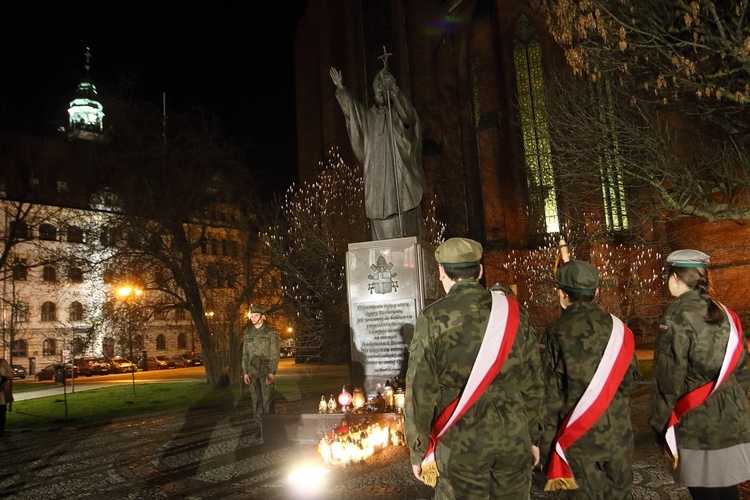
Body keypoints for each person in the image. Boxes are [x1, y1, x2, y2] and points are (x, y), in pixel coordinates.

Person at [405, 237, 544, 499]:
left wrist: (418, 449)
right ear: (479, 271)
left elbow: (420, 390)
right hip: (512, 433)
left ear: (441, 272)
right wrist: (533, 436)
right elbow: (533, 381)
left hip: (459, 439)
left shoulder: (432, 318)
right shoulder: (515, 312)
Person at [649, 249, 750, 500]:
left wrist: (659, 424)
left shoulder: (675, 315)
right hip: (733, 415)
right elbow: (742, 368)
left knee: (704, 492)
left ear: (674, 277)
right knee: (727, 490)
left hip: (697, 420)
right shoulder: (725, 312)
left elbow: (668, 379)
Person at [540, 260, 640, 499]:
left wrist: (544, 447)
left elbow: (550, 396)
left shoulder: (555, 332)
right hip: (618, 435)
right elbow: (630, 380)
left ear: (562, 293)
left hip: (578, 439)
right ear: (596, 292)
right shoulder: (619, 329)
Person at [329, 59, 427, 241]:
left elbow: (409, 119)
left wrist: (396, 91)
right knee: (380, 224)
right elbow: (352, 111)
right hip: (378, 182)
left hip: (399, 179)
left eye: (384, 93)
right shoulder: (369, 117)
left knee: (404, 219)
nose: (380, 96)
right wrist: (341, 89)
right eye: (377, 94)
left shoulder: (397, 114)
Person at [242, 305, 280, 425]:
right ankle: (260, 427)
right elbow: (245, 355)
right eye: (251, 316)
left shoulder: (270, 333)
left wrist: (272, 372)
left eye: (256, 316)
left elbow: (275, 354)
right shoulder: (248, 334)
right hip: (252, 371)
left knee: (268, 400)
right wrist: (245, 373)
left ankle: (270, 427)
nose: (253, 318)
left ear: (263, 317)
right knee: (256, 401)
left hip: (265, 370)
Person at [0, 358, 13, 437]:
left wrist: (6, 377)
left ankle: (1, 430)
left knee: (2, 412)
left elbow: (11, 372)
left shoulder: (3, 362)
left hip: (2, 392)